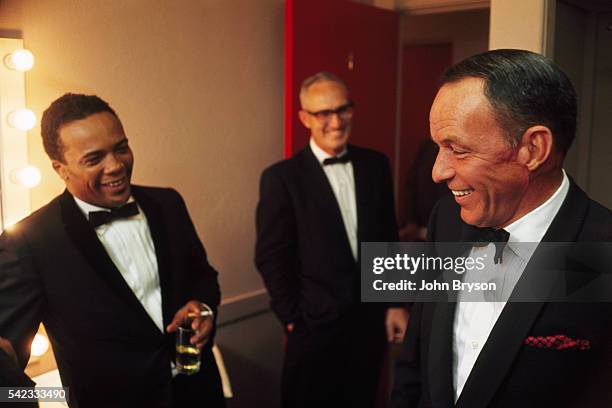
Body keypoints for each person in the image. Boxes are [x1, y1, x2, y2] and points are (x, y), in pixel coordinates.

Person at [391, 49, 612, 407]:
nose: (438, 171)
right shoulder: (444, 221)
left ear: (533, 148)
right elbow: (413, 364)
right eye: (438, 147)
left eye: (457, 150)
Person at [0, 94, 225, 408]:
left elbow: (205, 277)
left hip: (199, 394)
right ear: (60, 168)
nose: (116, 165)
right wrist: (42, 400)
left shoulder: (168, 203)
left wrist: (202, 307)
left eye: (121, 148)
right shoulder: (30, 242)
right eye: (95, 159)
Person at [255, 72, 409, 407]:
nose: (336, 121)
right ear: (304, 118)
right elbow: (270, 257)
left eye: (343, 110)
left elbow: (387, 236)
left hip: (369, 327)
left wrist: (395, 302)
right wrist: (294, 320)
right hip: (313, 330)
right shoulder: (281, 178)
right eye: (323, 113)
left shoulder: (375, 165)